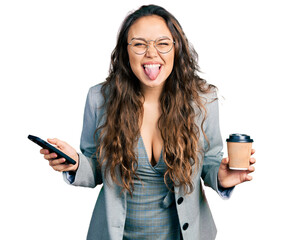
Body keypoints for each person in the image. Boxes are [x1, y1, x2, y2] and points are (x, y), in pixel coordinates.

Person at [40, 4, 256, 240]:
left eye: (162, 43)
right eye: (140, 44)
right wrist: (75, 164)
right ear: (126, 51)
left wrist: (221, 178)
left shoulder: (203, 99)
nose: (151, 53)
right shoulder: (100, 99)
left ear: (176, 48)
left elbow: (210, 160)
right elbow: (96, 168)